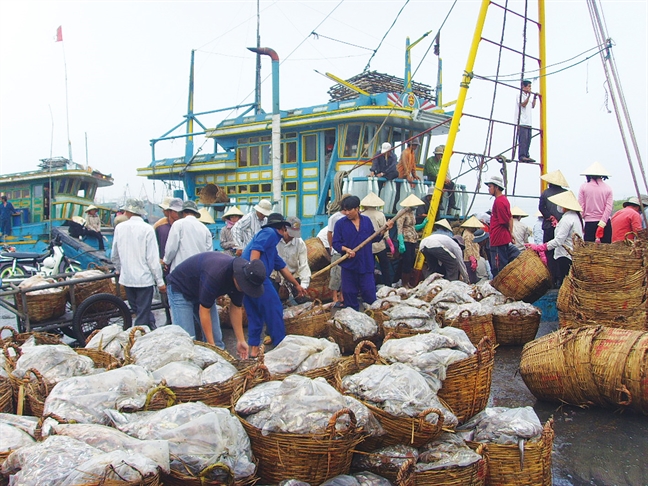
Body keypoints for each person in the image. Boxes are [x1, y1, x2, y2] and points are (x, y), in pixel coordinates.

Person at [166, 253, 265, 357]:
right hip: (180, 288)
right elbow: (204, 310)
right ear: (239, 278)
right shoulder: (216, 273)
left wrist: (241, 340)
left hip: (201, 289)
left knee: (217, 341)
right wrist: (212, 348)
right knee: (187, 341)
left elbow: (236, 308)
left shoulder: (244, 278)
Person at [242, 213, 306, 357]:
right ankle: (280, 345)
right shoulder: (270, 233)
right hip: (256, 276)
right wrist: (255, 270)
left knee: (255, 314)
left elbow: (283, 269)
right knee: (274, 308)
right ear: (283, 228)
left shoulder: (272, 249)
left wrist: (297, 285)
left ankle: (253, 349)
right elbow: (255, 250)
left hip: (245, 278)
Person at [111, 198, 165, 328]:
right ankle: (140, 337)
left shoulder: (120, 228)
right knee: (143, 312)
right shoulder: (147, 229)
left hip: (127, 278)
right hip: (144, 279)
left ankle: (150, 328)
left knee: (138, 309)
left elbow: (114, 255)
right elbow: (152, 259)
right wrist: (160, 282)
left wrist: (119, 269)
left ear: (128, 212)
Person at [333, 196, 391, 310]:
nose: (347, 213)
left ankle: (373, 318)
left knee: (369, 292)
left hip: (366, 264)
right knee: (349, 293)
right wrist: (346, 250)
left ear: (357, 208)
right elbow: (336, 243)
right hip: (349, 266)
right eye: (345, 210)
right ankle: (352, 319)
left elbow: (374, 238)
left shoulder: (366, 221)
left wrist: (385, 229)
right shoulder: (340, 224)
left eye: (350, 210)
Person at [528, 190, 584, 286]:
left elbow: (558, 240)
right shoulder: (575, 217)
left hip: (564, 255)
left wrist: (542, 247)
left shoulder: (567, 219)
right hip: (572, 254)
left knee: (565, 283)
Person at [163, 200, 213, 274]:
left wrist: (166, 261)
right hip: (198, 270)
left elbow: (171, 248)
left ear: (183, 213)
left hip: (180, 269)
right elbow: (209, 253)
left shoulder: (178, 224)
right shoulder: (204, 228)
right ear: (195, 214)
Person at [485, 174, 520, 277]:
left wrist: (510, 232)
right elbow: (509, 218)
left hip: (498, 238)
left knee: (498, 266)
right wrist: (511, 232)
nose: (489, 189)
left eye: (490, 186)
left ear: (496, 187)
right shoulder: (503, 200)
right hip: (502, 237)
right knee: (501, 262)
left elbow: (504, 220)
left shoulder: (499, 202)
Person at [539, 170, 568, 286]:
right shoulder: (566, 193)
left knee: (549, 252)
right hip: (562, 227)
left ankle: (552, 277)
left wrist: (550, 217)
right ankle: (561, 278)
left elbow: (541, 208)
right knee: (561, 252)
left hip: (548, 226)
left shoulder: (545, 193)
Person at [360, 192, 392, 287]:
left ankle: (370, 286)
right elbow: (385, 230)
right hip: (379, 244)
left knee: (369, 268)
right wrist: (389, 243)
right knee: (384, 266)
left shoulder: (362, 215)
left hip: (367, 245)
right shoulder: (380, 214)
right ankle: (388, 285)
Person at [276, 216, 311, 300]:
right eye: (290, 233)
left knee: (302, 300)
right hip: (276, 276)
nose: (292, 236)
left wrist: (303, 286)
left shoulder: (300, 243)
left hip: (293, 277)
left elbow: (304, 265)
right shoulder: (275, 240)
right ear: (284, 228)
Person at [578, 162, 613, 243]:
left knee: (589, 250)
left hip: (589, 222)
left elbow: (581, 207)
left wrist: (581, 222)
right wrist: (602, 223)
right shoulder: (608, 188)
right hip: (605, 223)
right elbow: (608, 208)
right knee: (606, 251)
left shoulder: (584, 187)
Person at [327, 193, 351, 306]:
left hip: (349, 250)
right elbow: (330, 232)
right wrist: (332, 246)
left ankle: (342, 295)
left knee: (345, 275)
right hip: (338, 250)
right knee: (335, 274)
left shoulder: (353, 217)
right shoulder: (335, 217)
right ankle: (334, 296)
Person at [396, 194, 425, 288]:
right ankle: (404, 283)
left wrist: (422, 225)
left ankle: (405, 282)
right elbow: (399, 228)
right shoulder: (402, 213)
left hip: (413, 239)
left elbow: (412, 227)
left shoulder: (412, 213)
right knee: (407, 262)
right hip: (405, 240)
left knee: (410, 260)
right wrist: (401, 242)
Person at [423, 145, 458, 212]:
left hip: (440, 178)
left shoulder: (441, 161)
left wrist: (446, 179)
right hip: (431, 177)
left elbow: (444, 171)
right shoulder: (430, 160)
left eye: (441, 155)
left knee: (451, 184)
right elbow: (431, 172)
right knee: (440, 184)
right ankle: (440, 203)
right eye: (438, 155)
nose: (440, 156)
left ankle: (452, 204)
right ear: (435, 154)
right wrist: (442, 178)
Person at [515, 79, 537, 162]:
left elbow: (532, 106)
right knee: (523, 140)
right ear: (523, 87)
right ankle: (522, 156)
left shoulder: (528, 96)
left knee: (528, 139)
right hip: (522, 122)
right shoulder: (520, 95)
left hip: (528, 122)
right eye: (528, 86)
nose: (530, 88)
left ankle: (527, 155)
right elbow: (523, 104)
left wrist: (534, 98)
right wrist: (529, 96)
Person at [155, 197, 183, 262]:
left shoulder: (184, 225)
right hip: (163, 263)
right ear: (169, 211)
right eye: (175, 212)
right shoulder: (159, 226)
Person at [460, 215, 484, 283]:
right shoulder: (467, 234)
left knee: (473, 276)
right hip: (469, 259)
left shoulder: (471, 233)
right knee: (471, 278)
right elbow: (468, 247)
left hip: (473, 257)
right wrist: (471, 257)